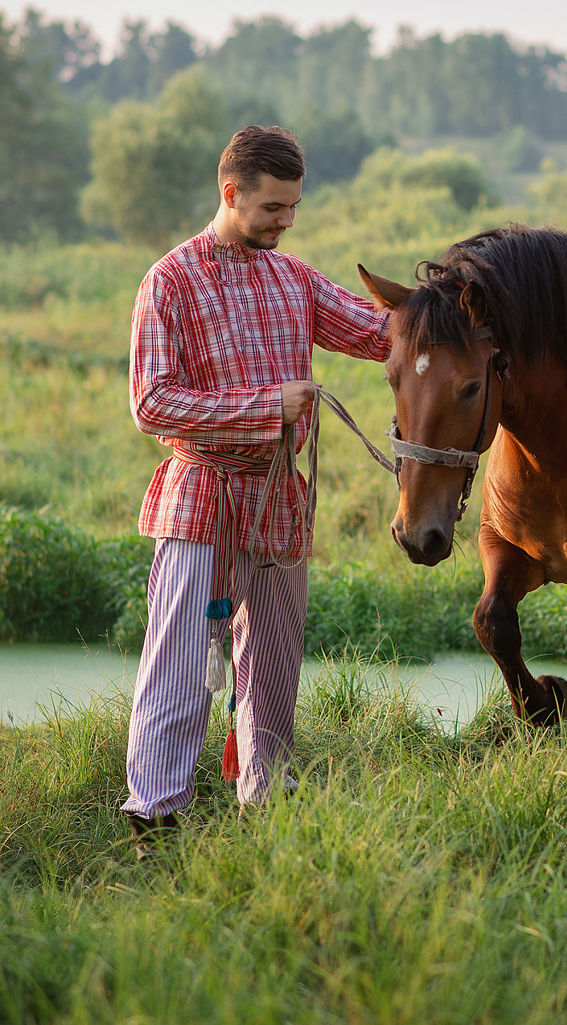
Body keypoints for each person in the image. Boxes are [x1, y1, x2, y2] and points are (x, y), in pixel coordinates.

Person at [122, 125, 390, 859]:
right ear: (230, 192)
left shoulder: (294, 279)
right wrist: (267, 406)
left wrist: (461, 313)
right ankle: (154, 817)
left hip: (276, 499)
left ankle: (263, 806)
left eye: (294, 207)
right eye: (273, 207)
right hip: (198, 491)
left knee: (272, 663)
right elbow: (151, 404)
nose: (286, 220)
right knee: (177, 662)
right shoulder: (169, 280)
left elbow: (377, 332)